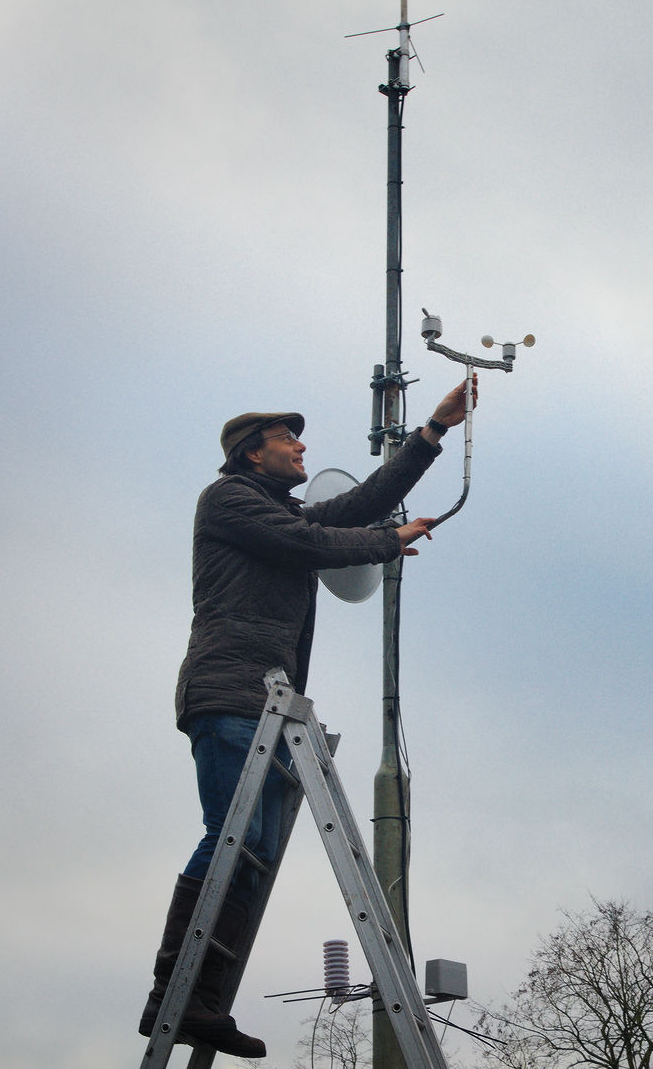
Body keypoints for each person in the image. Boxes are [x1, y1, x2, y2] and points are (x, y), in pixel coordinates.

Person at [138, 379, 476, 1058]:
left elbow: (356, 507)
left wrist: (432, 434)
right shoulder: (230, 500)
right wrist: (385, 542)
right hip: (232, 694)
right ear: (251, 455)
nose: (301, 447)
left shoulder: (271, 508)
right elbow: (315, 541)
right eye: (287, 440)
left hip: (260, 700)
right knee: (229, 839)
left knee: (253, 845)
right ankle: (172, 993)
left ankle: (200, 1001)